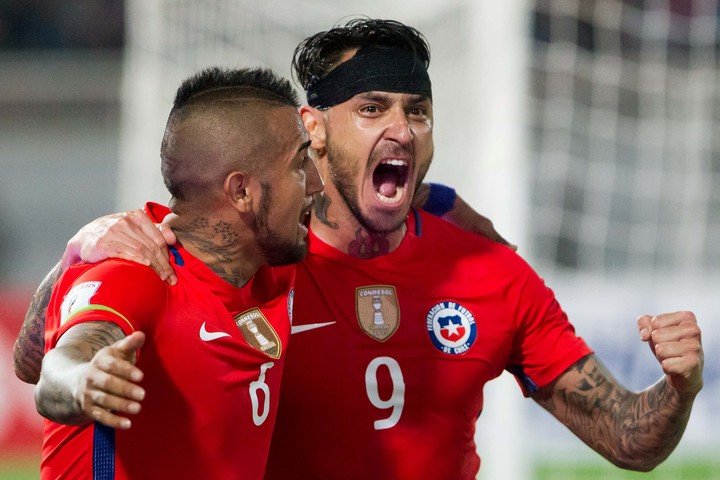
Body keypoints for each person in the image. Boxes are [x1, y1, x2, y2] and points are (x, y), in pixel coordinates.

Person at [16, 19, 703, 480]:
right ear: (311, 131)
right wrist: (77, 252)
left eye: (418, 111)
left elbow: (629, 439)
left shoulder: (490, 270)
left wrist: (678, 389)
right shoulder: (251, 260)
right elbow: (45, 357)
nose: (402, 129)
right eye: (372, 108)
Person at [31, 66, 323, 479]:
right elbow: (52, 372)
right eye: (300, 163)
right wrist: (85, 381)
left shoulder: (273, 271)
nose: (316, 181)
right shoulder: (140, 274)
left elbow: (26, 357)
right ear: (241, 191)